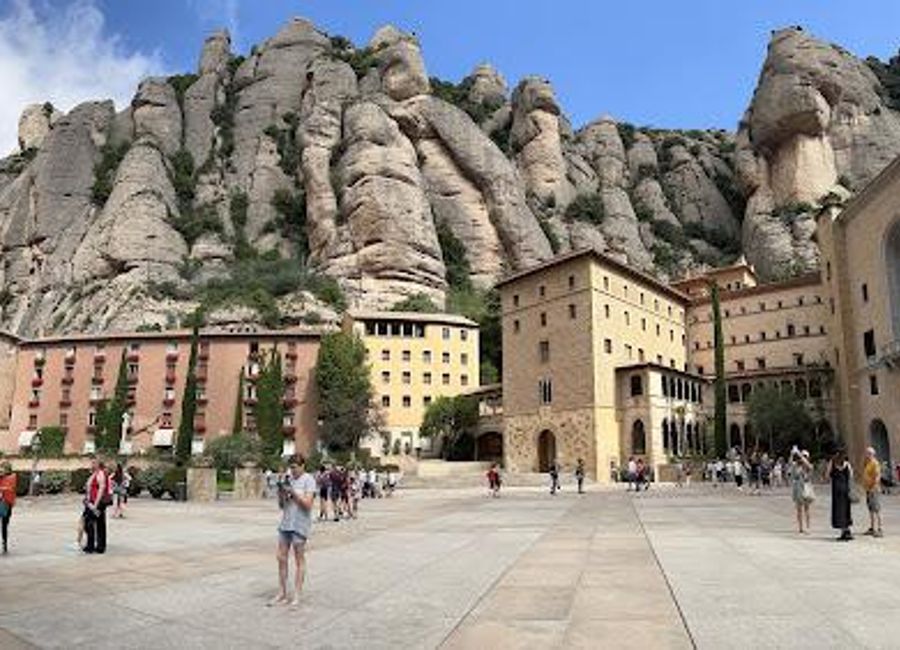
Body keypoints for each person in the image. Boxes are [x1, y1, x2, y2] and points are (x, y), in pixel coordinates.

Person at [271, 455, 316, 607]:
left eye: (295, 467)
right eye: (291, 467)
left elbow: (308, 504)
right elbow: (282, 506)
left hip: (300, 524)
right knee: (281, 557)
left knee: (299, 559)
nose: (293, 470)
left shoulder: (309, 480)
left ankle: (297, 595)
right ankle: (282, 592)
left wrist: (294, 493)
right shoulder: (289, 479)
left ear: (303, 465)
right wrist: (282, 493)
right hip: (286, 523)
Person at [83, 457, 110, 554]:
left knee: (91, 523)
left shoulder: (101, 473)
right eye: (92, 462)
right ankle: (98, 546)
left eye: (94, 463)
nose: (92, 464)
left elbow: (101, 489)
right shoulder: (94, 473)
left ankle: (94, 546)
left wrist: (95, 504)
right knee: (94, 523)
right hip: (91, 502)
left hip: (97, 503)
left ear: (99, 464)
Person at [827, 448, 854, 541]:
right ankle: (847, 530)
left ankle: (844, 531)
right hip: (845, 488)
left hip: (836, 489)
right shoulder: (847, 464)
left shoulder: (833, 462)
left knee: (839, 509)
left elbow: (827, 475)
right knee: (846, 508)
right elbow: (851, 475)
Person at [789, 449, 814, 534]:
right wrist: (792, 454)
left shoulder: (808, 466)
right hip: (798, 488)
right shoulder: (795, 466)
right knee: (799, 509)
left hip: (806, 487)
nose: (801, 458)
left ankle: (808, 527)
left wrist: (800, 455)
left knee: (807, 509)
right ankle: (800, 527)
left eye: (805, 456)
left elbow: (809, 466)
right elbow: (790, 464)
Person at [863, 447, 884, 538]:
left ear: (872, 454)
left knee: (877, 509)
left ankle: (880, 529)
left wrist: (873, 487)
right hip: (868, 489)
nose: (866, 455)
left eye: (868, 453)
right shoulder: (867, 463)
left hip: (874, 490)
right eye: (866, 453)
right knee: (871, 509)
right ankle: (872, 528)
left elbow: (877, 476)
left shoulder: (875, 463)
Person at [0, 461, 17, 554]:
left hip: (7, 503)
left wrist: (2, 488)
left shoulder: (12, 477)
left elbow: (11, 488)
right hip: (1, 502)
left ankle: (4, 543)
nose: (2, 470)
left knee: (4, 524)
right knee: (4, 524)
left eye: (3, 468)